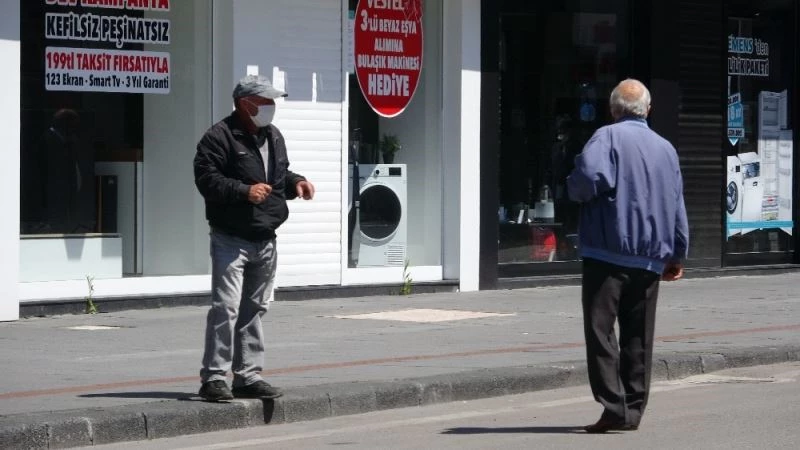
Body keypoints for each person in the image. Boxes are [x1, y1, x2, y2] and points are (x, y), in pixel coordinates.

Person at [566, 79, 689, 433]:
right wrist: (677, 253)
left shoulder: (607, 137)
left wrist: (574, 188)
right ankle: (633, 409)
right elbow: (677, 203)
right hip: (650, 258)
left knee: (601, 331)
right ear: (648, 110)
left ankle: (613, 405)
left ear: (613, 109)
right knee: (639, 336)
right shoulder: (666, 148)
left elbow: (587, 177)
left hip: (608, 253)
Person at [194, 74, 315, 402]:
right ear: (245, 104)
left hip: (266, 236)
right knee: (226, 307)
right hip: (231, 237)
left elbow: (279, 176)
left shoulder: (273, 136)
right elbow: (207, 180)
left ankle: (247, 376)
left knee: (256, 307)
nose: (271, 107)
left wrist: (296, 183)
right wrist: (244, 191)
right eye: (265, 101)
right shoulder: (218, 137)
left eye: (272, 101)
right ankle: (214, 378)